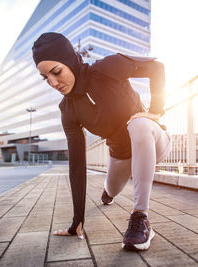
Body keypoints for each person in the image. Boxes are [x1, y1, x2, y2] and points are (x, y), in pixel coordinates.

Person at [32, 32, 171, 251]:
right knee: (111, 191)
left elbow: (157, 68)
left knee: (138, 124)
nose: (53, 82)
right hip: (121, 156)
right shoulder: (68, 110)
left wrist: (155, 111)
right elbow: (77, 165)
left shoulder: (108, 67)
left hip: (152, 142)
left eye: (56, 72)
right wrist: (77, 220)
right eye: (46, 78)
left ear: (69, 61)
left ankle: (140, 218)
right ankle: (108, 193)